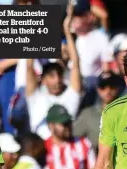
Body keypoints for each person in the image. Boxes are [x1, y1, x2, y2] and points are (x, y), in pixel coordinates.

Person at [25, 1, 83, 140]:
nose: (57, 79)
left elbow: (75, 64)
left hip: (66, 149)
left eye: (59, 75)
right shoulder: (36, 97)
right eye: (51, 75)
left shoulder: (71, 96)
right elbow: (29, 67)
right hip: (41, 151)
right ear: (43, 79)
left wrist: (67, 30)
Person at [73, 71, 123, 151]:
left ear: (118, 88)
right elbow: (72, 138)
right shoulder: (88, 114)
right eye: (103, 86)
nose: (108, 90)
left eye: (112, 86)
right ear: (98, 89)